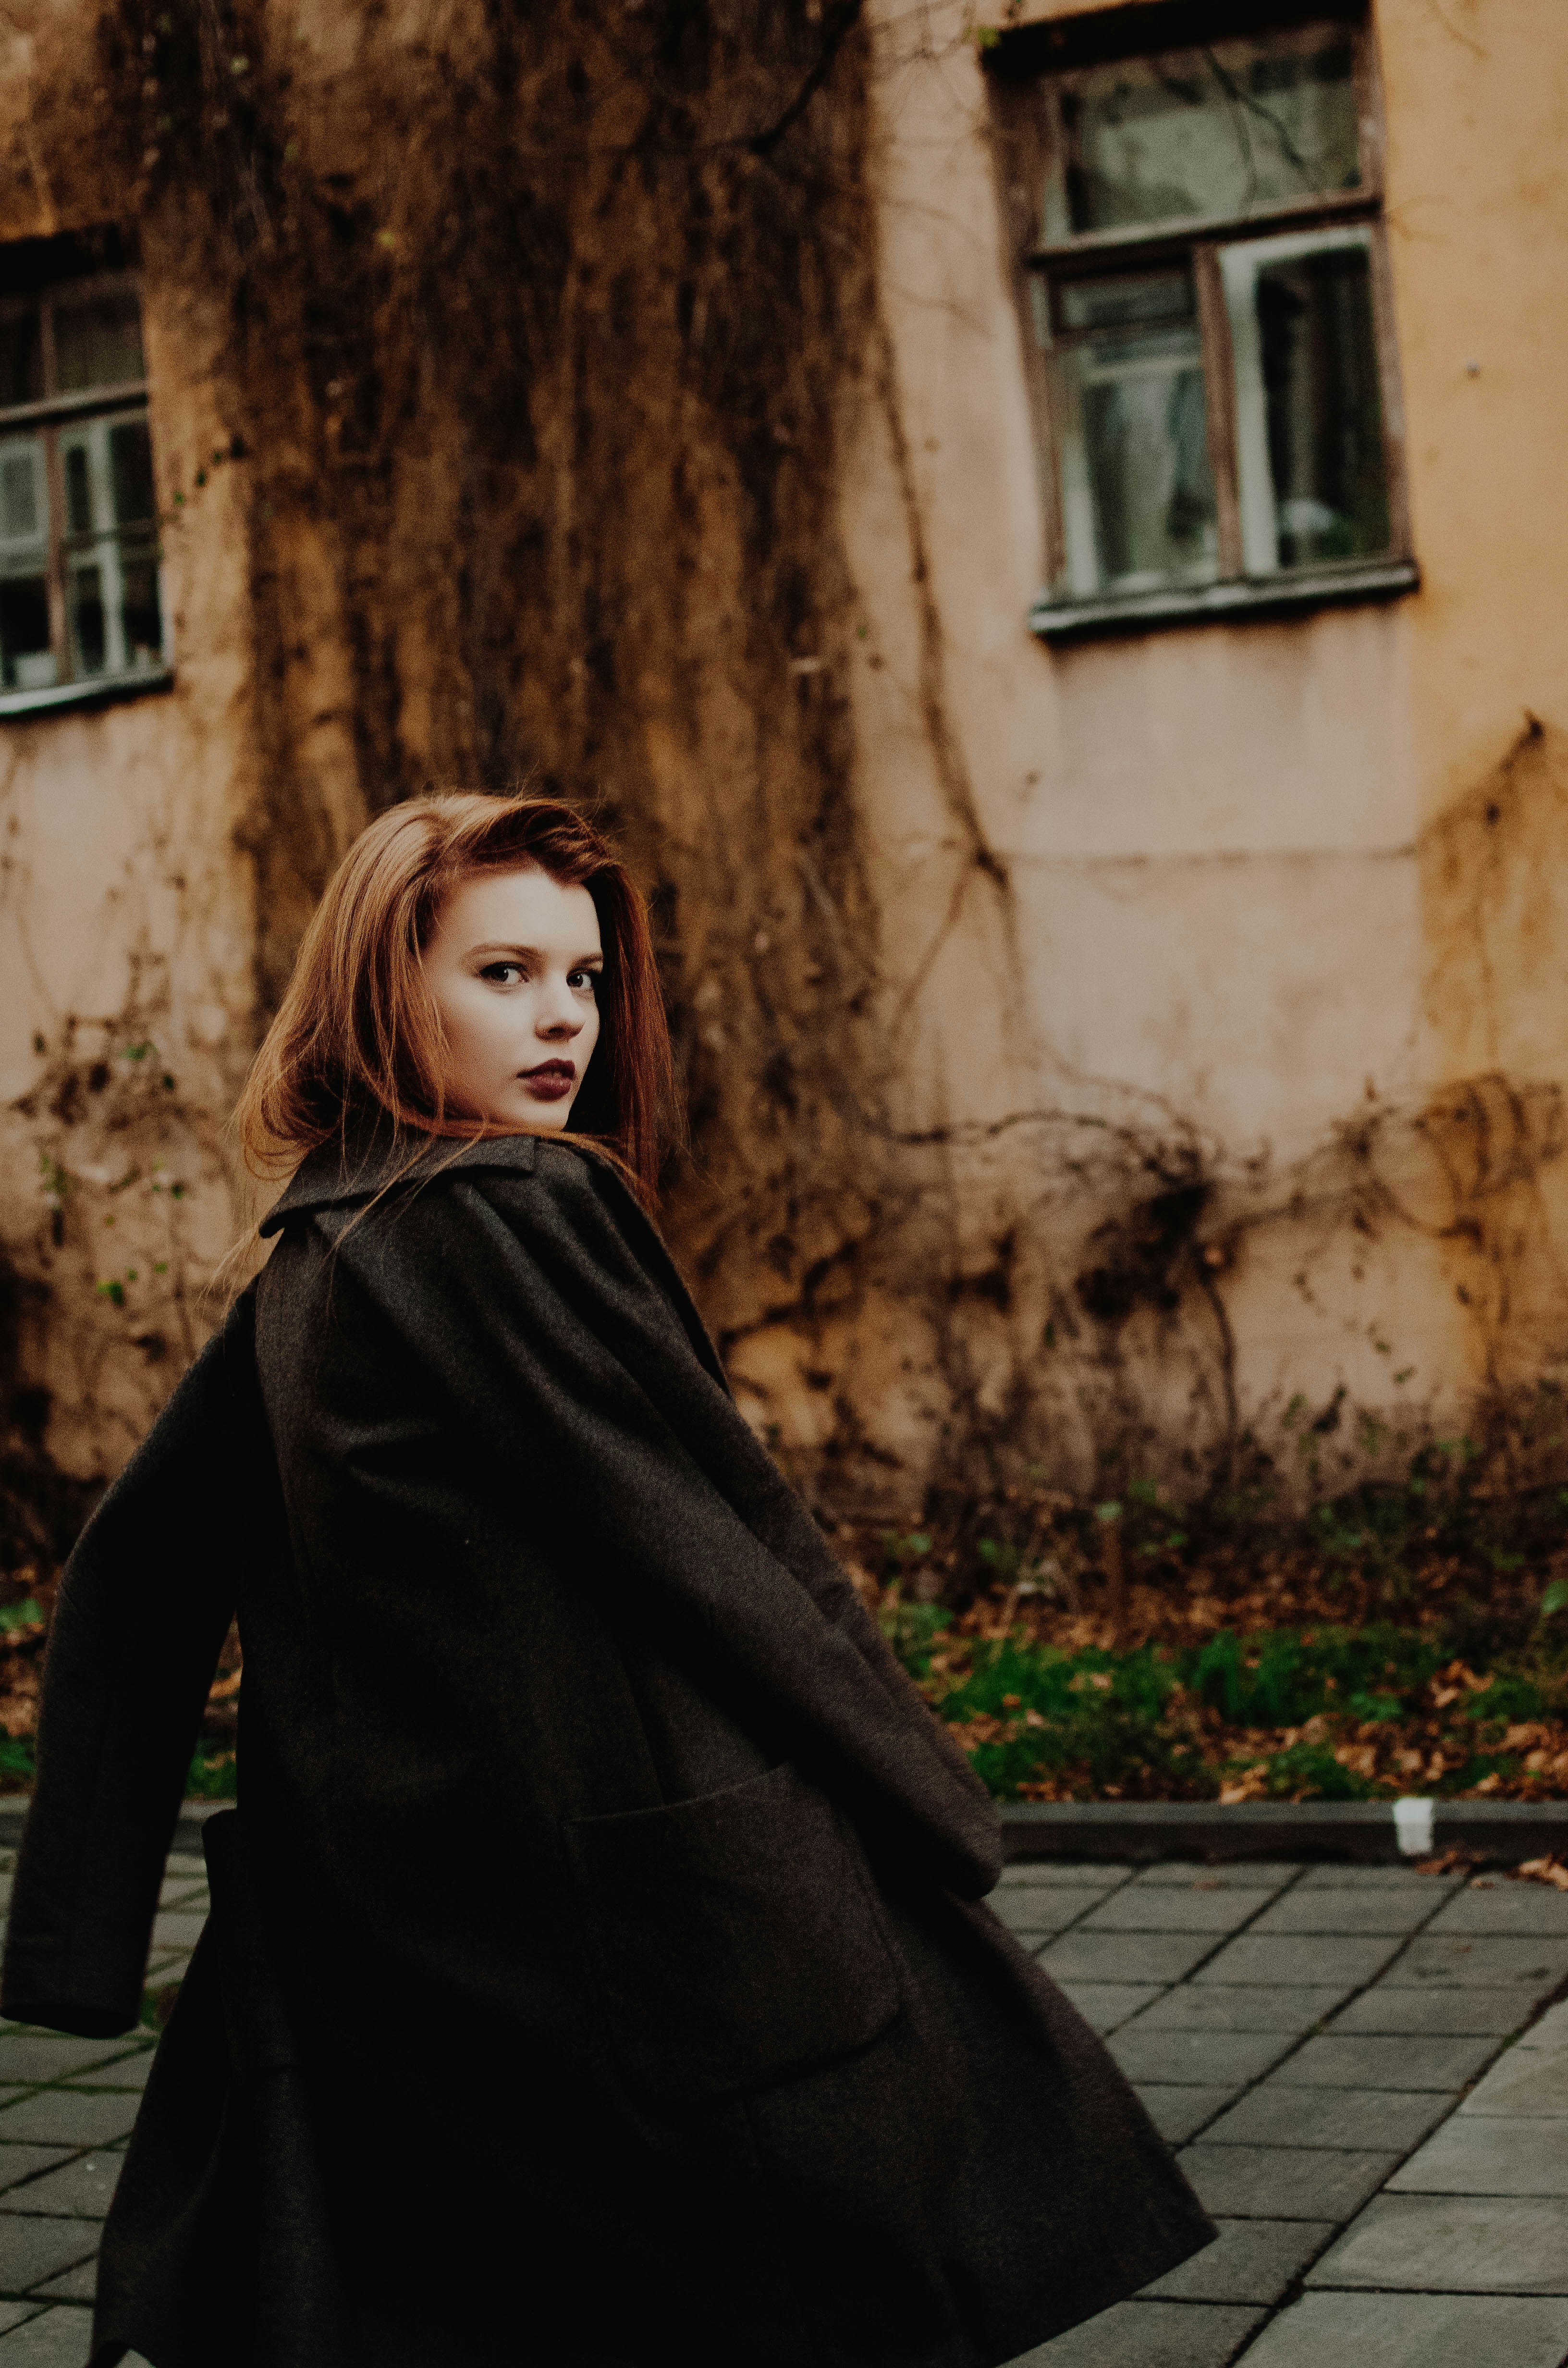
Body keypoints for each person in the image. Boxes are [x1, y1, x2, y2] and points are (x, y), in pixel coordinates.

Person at [2, 793, 1213, 2368]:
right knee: (847, 2238)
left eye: (580, 977)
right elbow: (725, 1536)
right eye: (502, 973)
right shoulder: (512, 1206)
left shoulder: (317, 1249)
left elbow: (129, 1578)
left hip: (429, 1932)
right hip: (627, 1929)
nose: (564, 1016)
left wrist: (75, 1942)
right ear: (385, 987)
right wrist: (926, 1803)